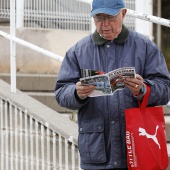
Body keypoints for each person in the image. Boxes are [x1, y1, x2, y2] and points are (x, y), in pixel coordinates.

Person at [55, 0, 170, 169]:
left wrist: (143, 89)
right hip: (96, 152)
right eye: (99, 18)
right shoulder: (78, 51)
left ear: (123, 14)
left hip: (137, 148)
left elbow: (165, 89)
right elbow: (61, 93)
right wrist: (77, 93)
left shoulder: (145, 47)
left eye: (110, 17)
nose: (105, 25)